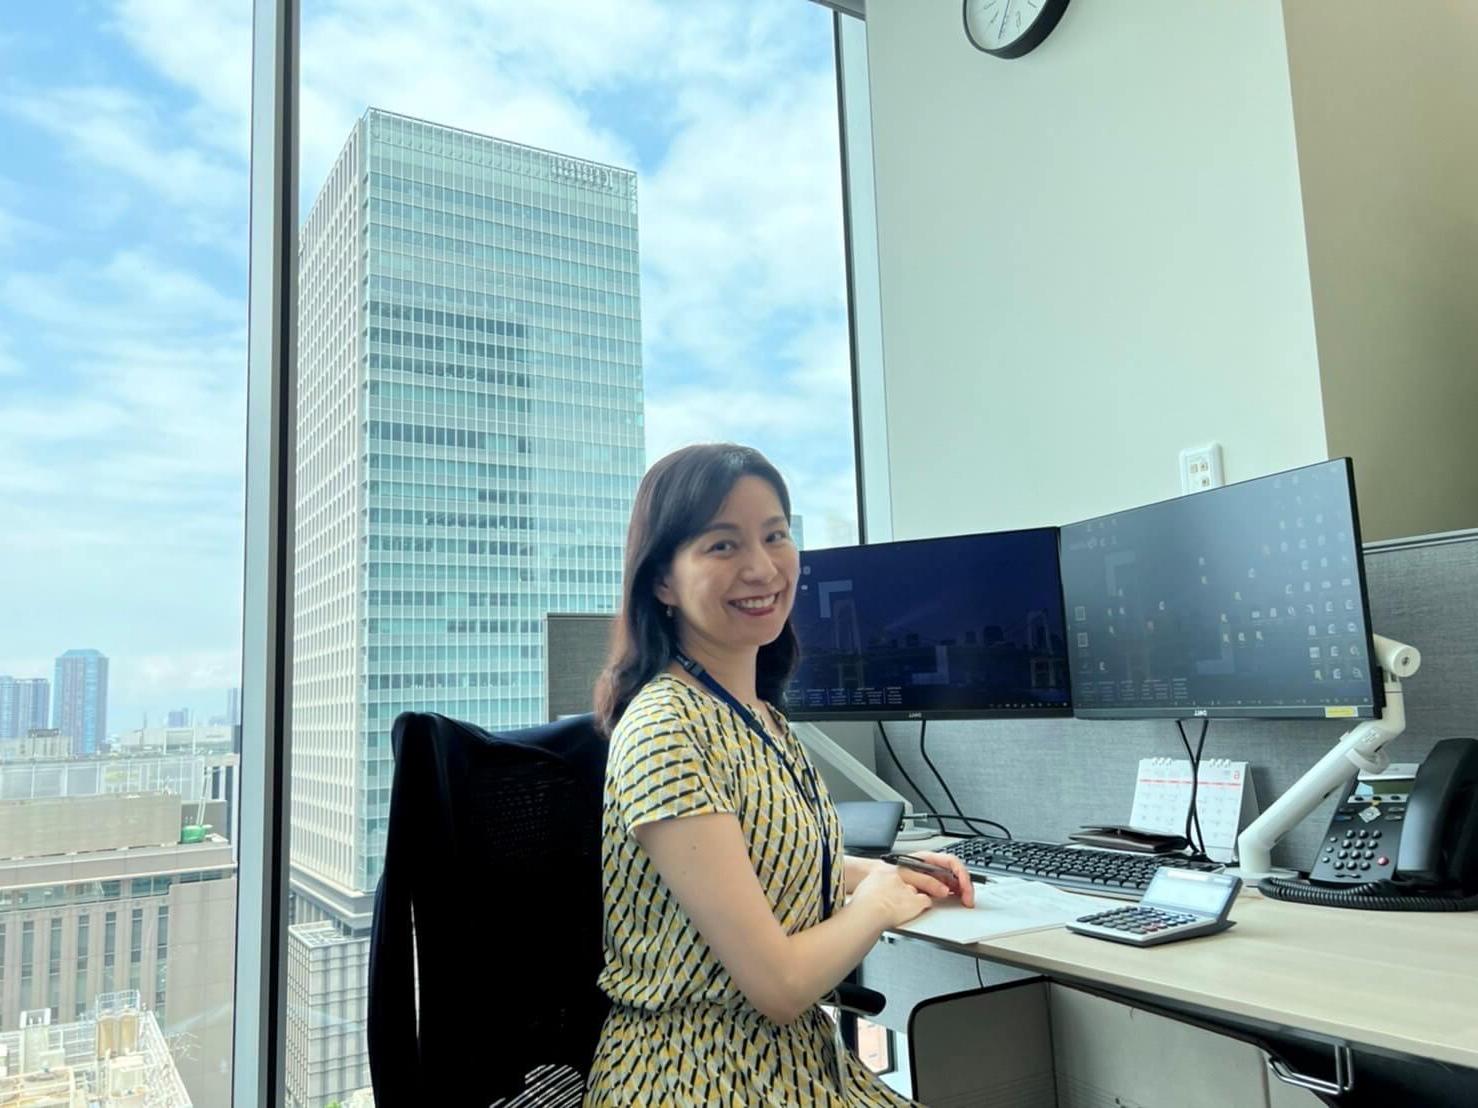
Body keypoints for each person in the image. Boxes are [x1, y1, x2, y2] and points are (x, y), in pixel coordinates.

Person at [585, 443, 974, 1106]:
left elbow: (760, 858)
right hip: (697, 1075)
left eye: (776, 536)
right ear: (662, 581)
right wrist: (879, 903)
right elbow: (779, 986)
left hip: (790, 1064)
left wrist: (885, 872)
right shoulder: (665, 728)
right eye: (722, 545)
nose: (763, 567)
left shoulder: (757, 715)